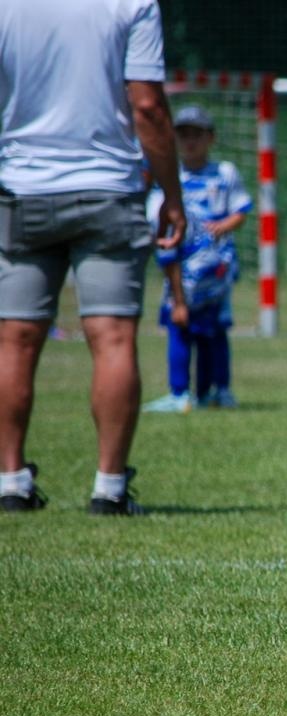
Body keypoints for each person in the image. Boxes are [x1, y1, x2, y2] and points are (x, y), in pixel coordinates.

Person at [0, 0, 185, 515]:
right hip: (108, 187)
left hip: (22, 187)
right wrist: (171, 193)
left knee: (14, 338)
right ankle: (109, 487)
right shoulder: (131, 3)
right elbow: (146, 105)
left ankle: (10, 480)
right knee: (113, 337)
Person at [143, 104, 252, 413]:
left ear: (210, 138)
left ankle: (215, 391)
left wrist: (225, 226)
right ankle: (180, 393)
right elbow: (163, 237)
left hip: (215, 274)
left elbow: (242, 210)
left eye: (197, 135)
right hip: (181, 273)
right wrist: (177, 297)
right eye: (184, 135)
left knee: (214, 333)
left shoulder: (225, 174)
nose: (190, 142)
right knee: (180, 327)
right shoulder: (167, 182)